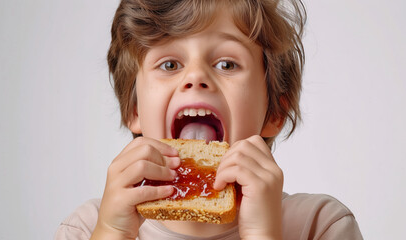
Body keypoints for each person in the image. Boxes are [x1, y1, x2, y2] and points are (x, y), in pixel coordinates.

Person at [55, 0, 363, 239]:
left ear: (274, 112)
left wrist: (262, 235)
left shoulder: (319, 226)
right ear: (134, 110)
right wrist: (112, 232)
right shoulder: (86, 228)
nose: (196, 76)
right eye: (170, 63)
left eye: (227, 64)